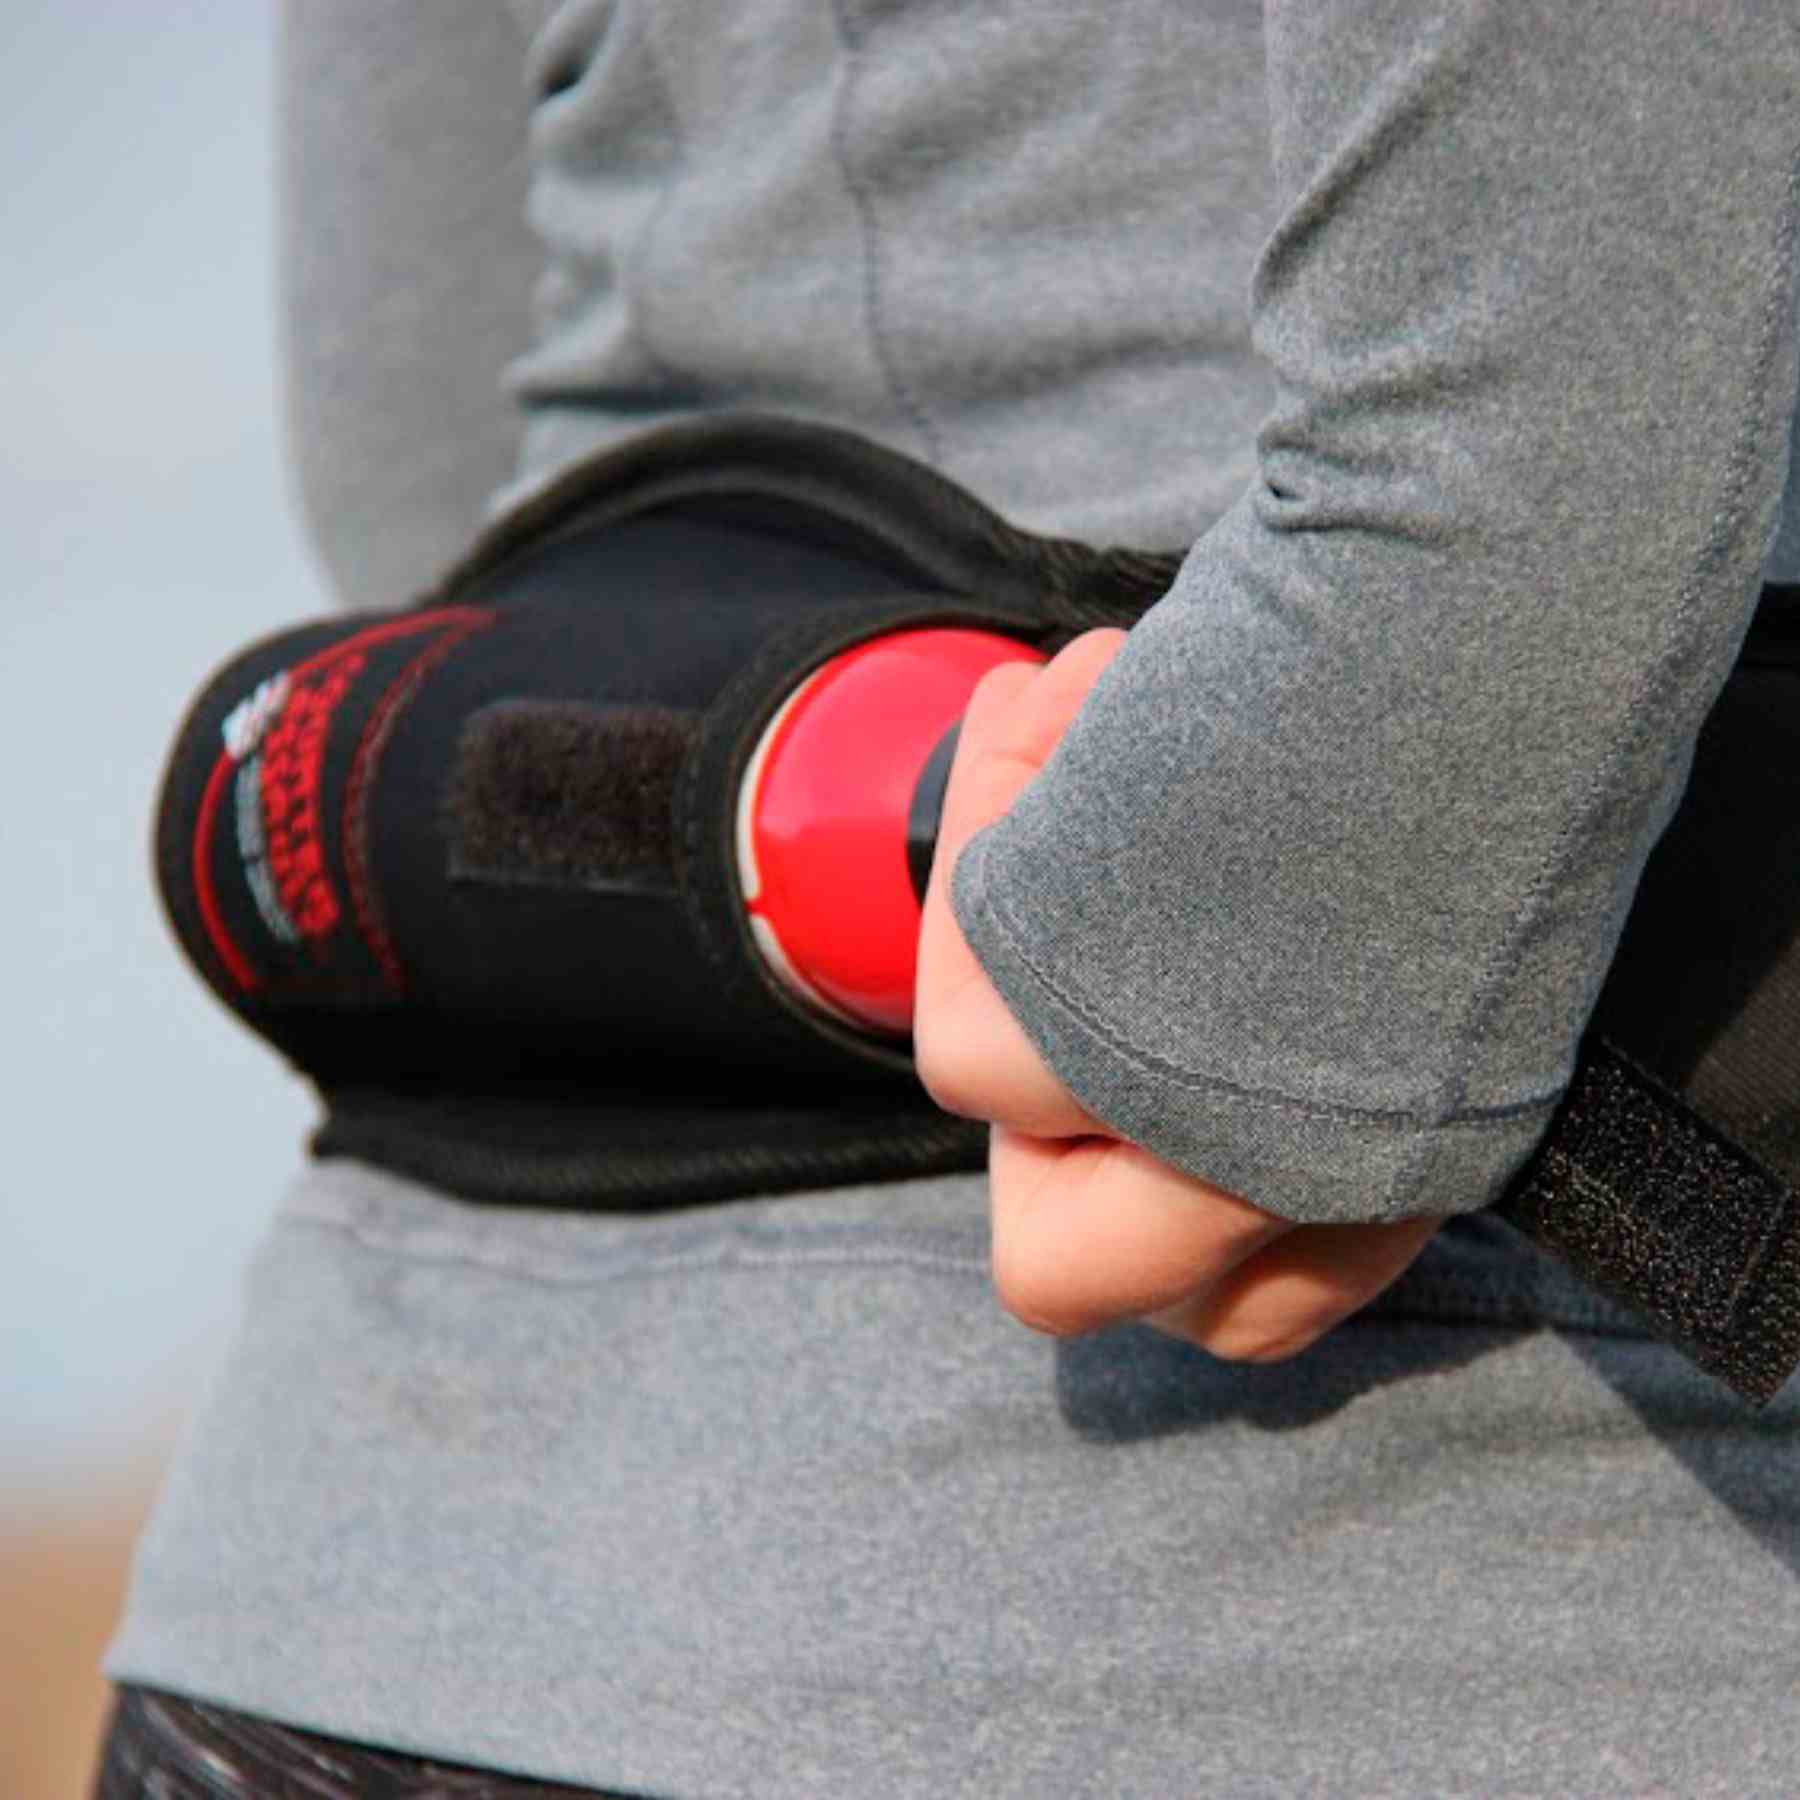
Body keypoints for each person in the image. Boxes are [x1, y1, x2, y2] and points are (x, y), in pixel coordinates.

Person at [100, 2, 1800, 1794]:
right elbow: (1525, 450)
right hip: (1415, 1615)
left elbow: (417, 433)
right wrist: (1304, 902)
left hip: (366, 1572)